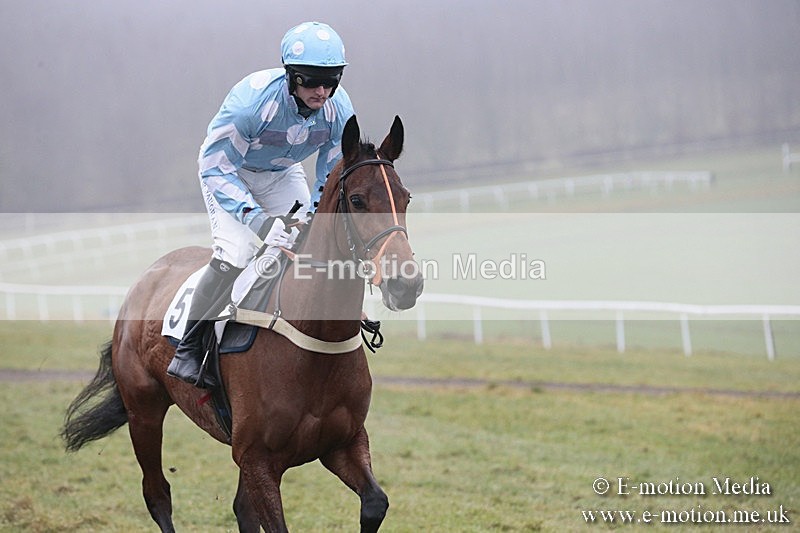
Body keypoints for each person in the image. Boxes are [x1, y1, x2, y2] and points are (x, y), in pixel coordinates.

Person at [167, 21, 355, 387]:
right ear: (290, 76)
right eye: (311, 81)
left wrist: (314, 219)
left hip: (282, 174)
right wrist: (259, 221)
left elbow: (330, 176)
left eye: (331, 81)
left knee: (309, 244)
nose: (322, 91)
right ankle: (189, 348)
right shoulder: (251, 106)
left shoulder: (339, 109)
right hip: (230, 173)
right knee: (236, 253)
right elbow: (216, 167)